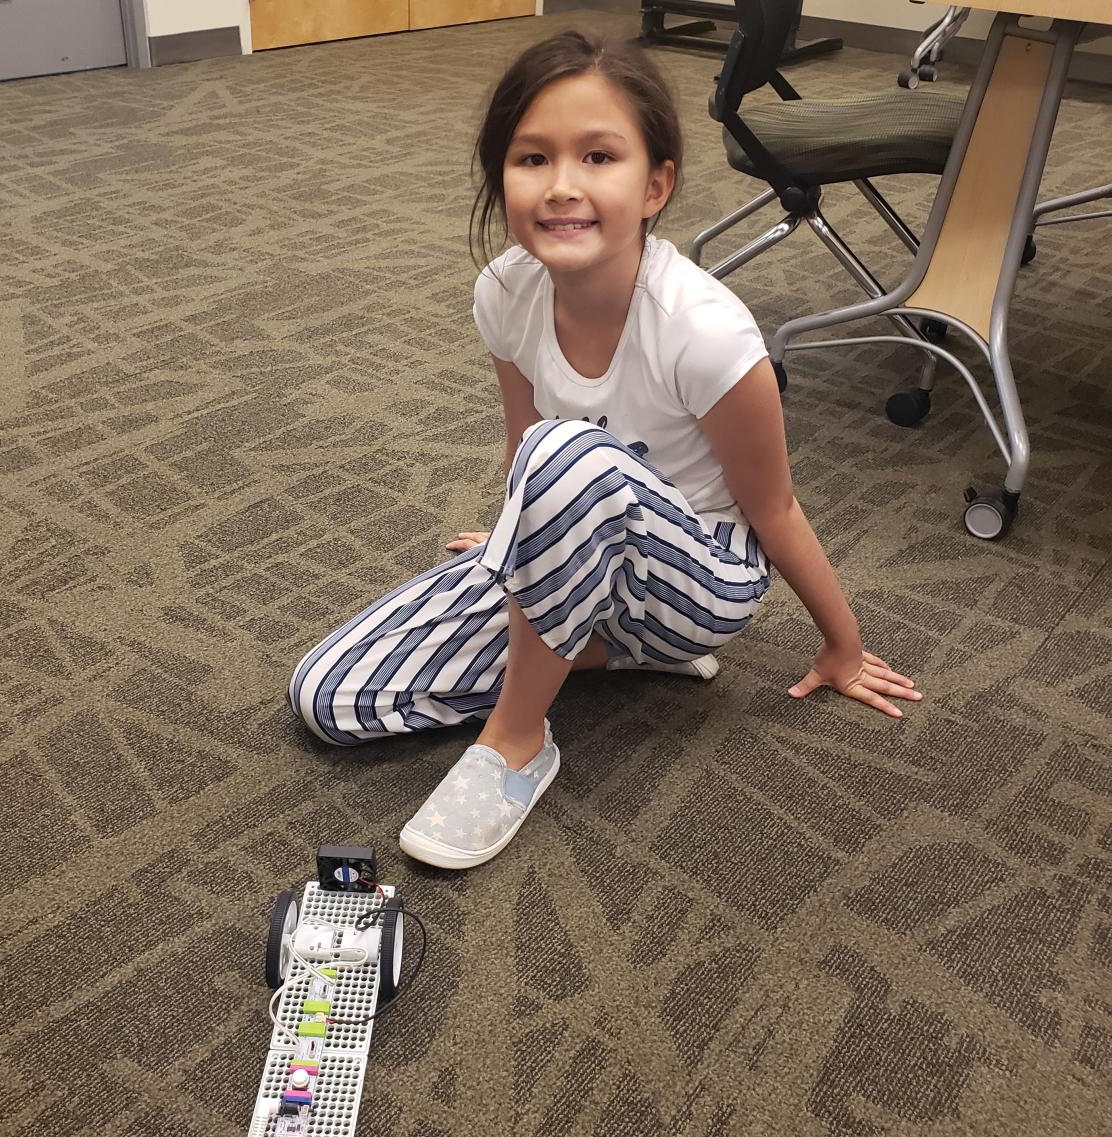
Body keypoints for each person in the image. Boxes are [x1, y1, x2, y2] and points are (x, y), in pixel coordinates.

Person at [289, 29, 922, 871]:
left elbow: (773, 508)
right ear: (500, 176)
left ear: (655, 183)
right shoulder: (505, 293)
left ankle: (516, 743)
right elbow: (523, 441)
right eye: (531, 159)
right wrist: (522, 530)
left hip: (702, 576)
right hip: (587, 547)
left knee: (566, 452)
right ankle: (598, 643)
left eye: (597, 157)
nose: (561, 188)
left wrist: (842, 644)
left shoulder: (704, 330)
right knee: (327, 695)